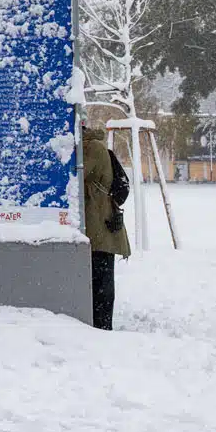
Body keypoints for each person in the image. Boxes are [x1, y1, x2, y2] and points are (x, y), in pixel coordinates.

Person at [83, 123, 131, 330]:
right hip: (98, 222)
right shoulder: (90, 146)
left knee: (101, 280)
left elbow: (77, 175)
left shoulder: (91, 148)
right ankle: (100, 324)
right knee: (99, 277)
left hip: (100, 223)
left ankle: (102, 326)